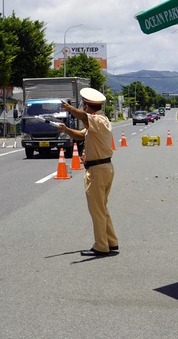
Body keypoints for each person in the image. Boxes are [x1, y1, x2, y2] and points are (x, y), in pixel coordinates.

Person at [56, 88, 118, 257]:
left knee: (96, 209)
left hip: (97, 169)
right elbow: (81, 135)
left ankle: (101, 245)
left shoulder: (98, 119)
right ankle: (111, 241)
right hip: (102, 168)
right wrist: (65, 129)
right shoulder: (98, 122)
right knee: (101, 207)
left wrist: (69, 108)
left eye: (84, 105)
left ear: (87, 106)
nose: (83, 109)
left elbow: (84, 117)